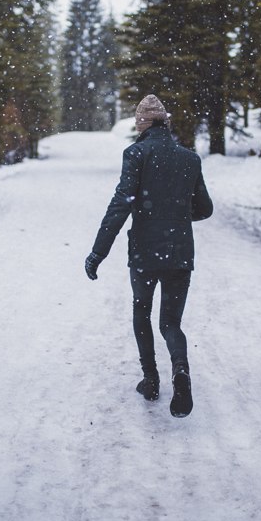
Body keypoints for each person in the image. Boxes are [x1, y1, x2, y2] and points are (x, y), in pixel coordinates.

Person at [85, 94, 213, 418]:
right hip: (180, 253)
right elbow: (205, 209)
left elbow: (120, 205)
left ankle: (151, 379)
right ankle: (180, 373)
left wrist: (98, 253)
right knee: (171, 323)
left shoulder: (136, 153)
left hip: (145, 254)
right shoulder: (190, 159)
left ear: (141, 124)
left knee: (141, 314)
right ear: (166, 123)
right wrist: (177, 214)